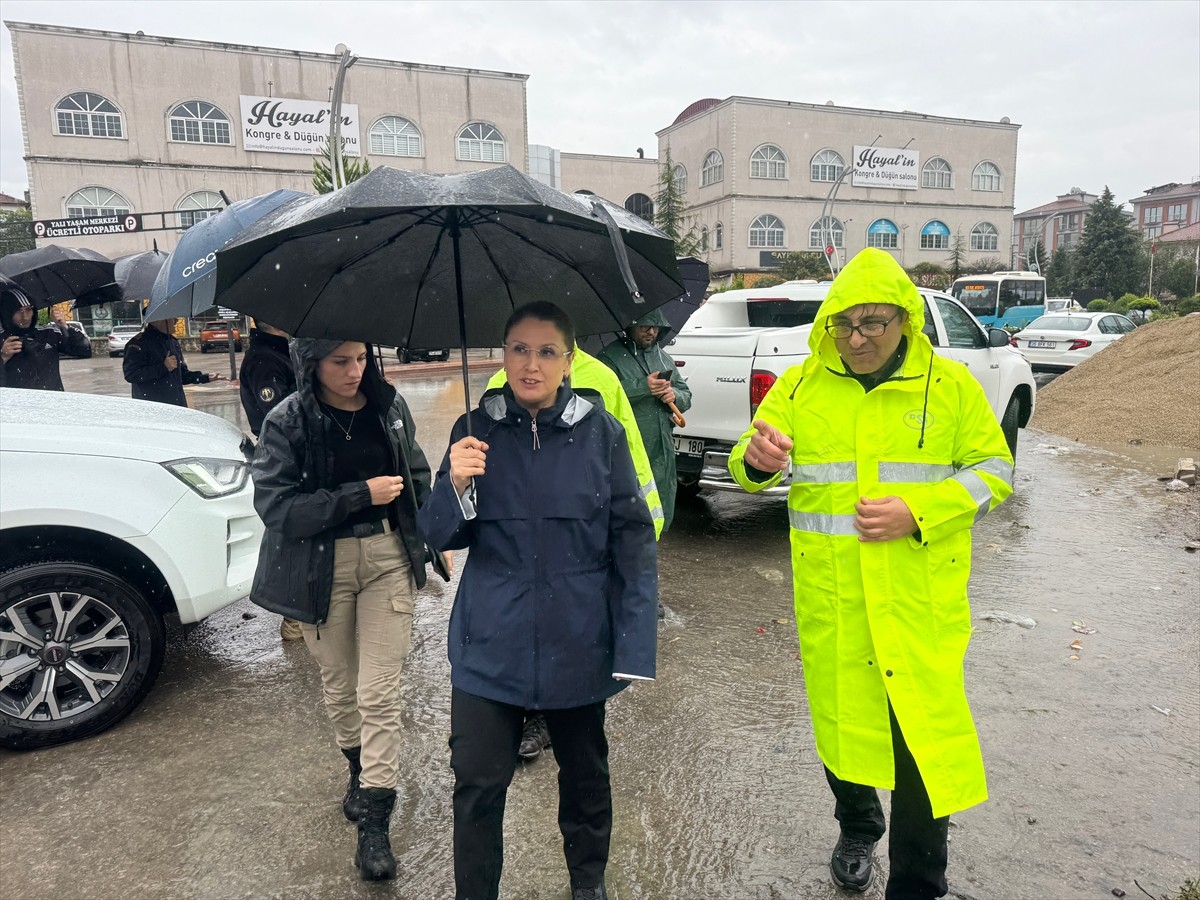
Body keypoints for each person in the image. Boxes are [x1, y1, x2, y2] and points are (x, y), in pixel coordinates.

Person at [727, 248, 1014, 900]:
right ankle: (857, 827)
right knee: (841, 728)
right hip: (836, 604)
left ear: (905, 320)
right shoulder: (800, 385)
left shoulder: (950, 389)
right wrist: (759, 457)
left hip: (917, 606)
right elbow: (746, 466)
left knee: (920, 749)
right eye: (843, 325)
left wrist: (919, 510)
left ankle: (919, 881)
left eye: (872, 324)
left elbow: (995, 472)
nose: (855, 339)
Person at [418, 301, 657, 900]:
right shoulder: (472, 433)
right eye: (520, 350)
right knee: (476, 785)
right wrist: (455, 483)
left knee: (585, 777)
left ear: (569, 361)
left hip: (578, 641)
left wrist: (632, 643)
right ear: (502, 357)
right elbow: (438, 536)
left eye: (547, 351)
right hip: (488, 644)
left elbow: (631, 540)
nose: (532, 364)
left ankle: (588, 885)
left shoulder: (602, 434)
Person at [249, 337, 442, 882]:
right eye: (340, 362)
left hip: (386, 559)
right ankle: (357, 771)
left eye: (361, 359)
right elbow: (276, 507)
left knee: (379, 693)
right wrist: (360, 494)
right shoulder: (288, 420)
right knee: (341, 684)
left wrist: (431, 527)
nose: (355, 371)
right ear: (312, 363)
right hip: (319, 566)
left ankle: (375, 825)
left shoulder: (390, 406)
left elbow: (417, 474)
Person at [486, 346, 664, 762]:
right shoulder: (501, 380)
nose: (534, 363)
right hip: (519, 546)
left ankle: (554, 714)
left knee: (569, 637)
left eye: (549, 350)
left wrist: (643, 523)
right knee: (525, 629)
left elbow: (629, 451)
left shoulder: (602, 378)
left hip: (581, 546)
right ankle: (530, 711)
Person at [596, 306, 692, 534]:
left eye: (656, 327)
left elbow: (686, 395)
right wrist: (642, 387)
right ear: (631, 326)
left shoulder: (663, 357)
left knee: (661, 505)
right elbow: (602, 397)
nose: (651, 332)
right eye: (644, 326)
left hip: (663, 449)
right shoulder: (609, 358)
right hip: (629, 448)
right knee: (630, 512)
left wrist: (674, 396)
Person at [238, 319, 304, 642]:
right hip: (284, 458)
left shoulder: (283, 350)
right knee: (294, 534)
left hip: (294, 455)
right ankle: (293, 617)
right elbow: (279, 417)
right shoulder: (265, 360)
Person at [0, 288, 92, 390]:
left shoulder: (48, 333)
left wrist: (64, 327)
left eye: (28, 309)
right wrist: (3, 357)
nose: (25, 317)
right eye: (18, 311)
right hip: (20, 404)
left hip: (53, 403)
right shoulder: (3, 341)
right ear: (7, 313)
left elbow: (84, 350)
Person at [122, 317, 223, 405]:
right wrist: (163, 367)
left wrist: (203, 378)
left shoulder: (172, 343)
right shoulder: (138, 344)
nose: (176, 321)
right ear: (159, 321)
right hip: (152, 409)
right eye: (173, 318)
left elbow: (182, 376)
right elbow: (131, 375)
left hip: (177, 406)